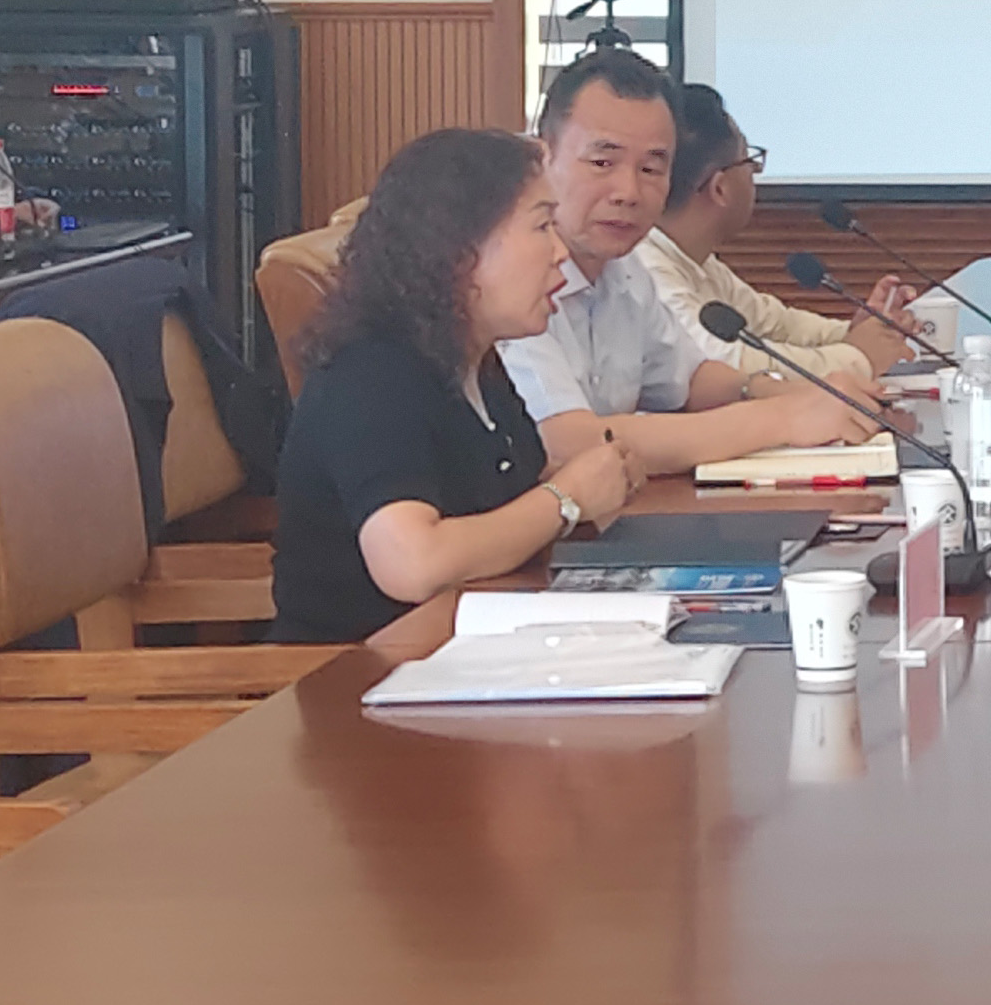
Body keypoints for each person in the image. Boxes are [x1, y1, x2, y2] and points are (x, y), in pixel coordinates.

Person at [271, 127, 638, 643]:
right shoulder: (372, 372)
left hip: (466, 650)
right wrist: (567, 498)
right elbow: (411, 564)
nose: (560, 252)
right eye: (542, 227)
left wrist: (590, 482)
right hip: (360, 671)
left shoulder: (477, 363)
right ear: (459, 251)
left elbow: (499, 501)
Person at [504, 47, 874, 477]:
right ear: (542, 159)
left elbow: (689, 380)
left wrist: (798, 394)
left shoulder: (625, 268)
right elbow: (566, 442)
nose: (628, 192)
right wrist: (783, 418)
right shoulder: (510, 277)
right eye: (603, 162)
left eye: (651, 169)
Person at [641, 83, 923, 388]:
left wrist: (854, 333)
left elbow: (774, 324)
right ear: (720, 188)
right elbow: (731, 365)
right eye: (748, 160)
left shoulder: (694, 259)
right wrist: (858, 357)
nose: (755, 172)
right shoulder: (645, 270)